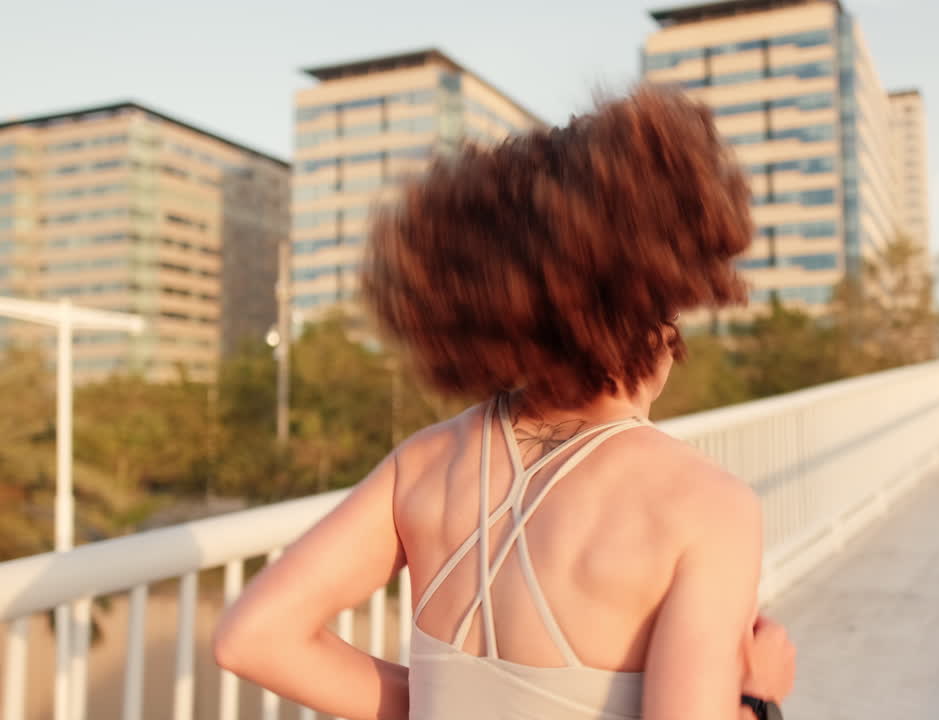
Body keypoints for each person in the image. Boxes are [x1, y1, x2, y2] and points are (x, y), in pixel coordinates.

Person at [214, 85, 796, 720]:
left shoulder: (427, 462)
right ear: (658, 302)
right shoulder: (707, 506)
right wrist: (757, 697)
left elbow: (254, 637)